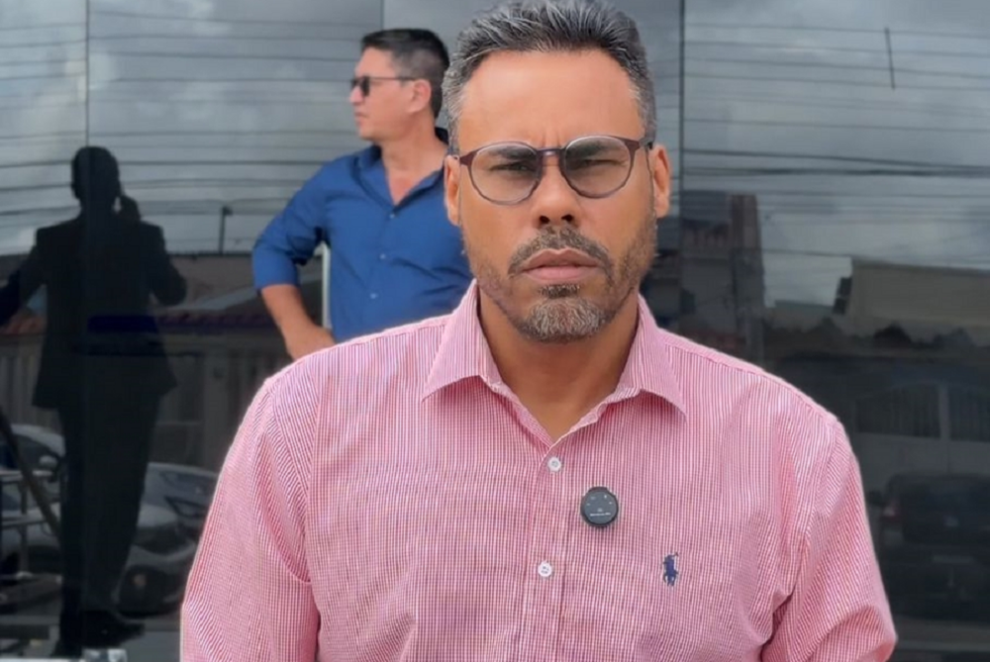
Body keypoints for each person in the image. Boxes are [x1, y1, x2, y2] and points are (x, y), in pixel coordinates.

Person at [182, 1, 896, 660]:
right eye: (511, 166)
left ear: (657, 180)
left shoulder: (791, 454)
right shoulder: (305, 424)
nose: (555, 202)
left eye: (593, 161)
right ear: (455, 194)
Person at [0, 146, 187, 655]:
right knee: (119, 493)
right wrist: (138, 227)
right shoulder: (140, 237)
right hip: (131, 381)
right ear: (114, 186)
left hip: (80, 380)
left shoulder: (53, 240)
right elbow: (173, 292)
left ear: (75, 189)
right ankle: (95, 603)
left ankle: (87, 607)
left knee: (85, 493)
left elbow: (11, 296)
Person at [253, 28, 472, 359]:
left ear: (417, 95)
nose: (354, 98)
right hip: (350, 384)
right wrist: (297, 329)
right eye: (354, 85)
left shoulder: (475, 184)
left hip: (446, 383)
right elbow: (273, 248)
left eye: (367, 85)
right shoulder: (338, 182)